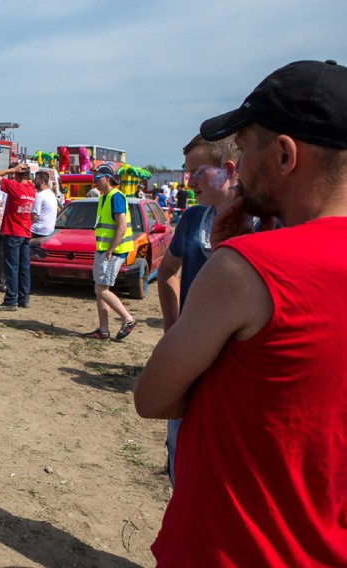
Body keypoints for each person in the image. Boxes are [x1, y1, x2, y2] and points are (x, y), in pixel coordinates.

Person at [134, 59, 347, 566]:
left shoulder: (246, 269)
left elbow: (153, 396)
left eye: (246, 147)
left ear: (284, 154)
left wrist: (227, 261)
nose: (238, 165)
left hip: (232, 546)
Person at [156, 133, 240, 486]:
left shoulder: (266, 223)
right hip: (192, 361)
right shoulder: (192, 219)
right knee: (182, 453)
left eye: (198, 171)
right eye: (186, 171)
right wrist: (175, 331)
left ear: (230, 170)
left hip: (237, 363)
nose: (187, 181)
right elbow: (166, 274)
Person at [84, 163, 136, 340]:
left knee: (101, 289)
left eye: (97, 178)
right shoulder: (104, 197)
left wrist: (111, 250)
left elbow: (121, 227)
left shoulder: (116, 197)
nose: (94, 182)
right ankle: (103, 330)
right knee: (99, 288)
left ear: (107, 178)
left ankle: (128, 319)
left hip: (114, 252)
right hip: (104, 250)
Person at [0, 162, 35, 311]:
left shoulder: (14, 187)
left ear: (17, 175)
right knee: (24, 267)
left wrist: (13, 169)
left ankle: (10, 300)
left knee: (12, 267)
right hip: (25, 232)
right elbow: (28, 179)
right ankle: (24, 298)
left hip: (13, 232)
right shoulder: (31, 188)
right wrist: (24, 171)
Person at [30, 170, 57, 238]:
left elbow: (34, 216)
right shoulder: (52, 194)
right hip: (49, 231)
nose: (34, 182)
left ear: (41, 181)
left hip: (37, 230)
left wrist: (24, 224)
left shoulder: (40, 195)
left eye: (36, 179)